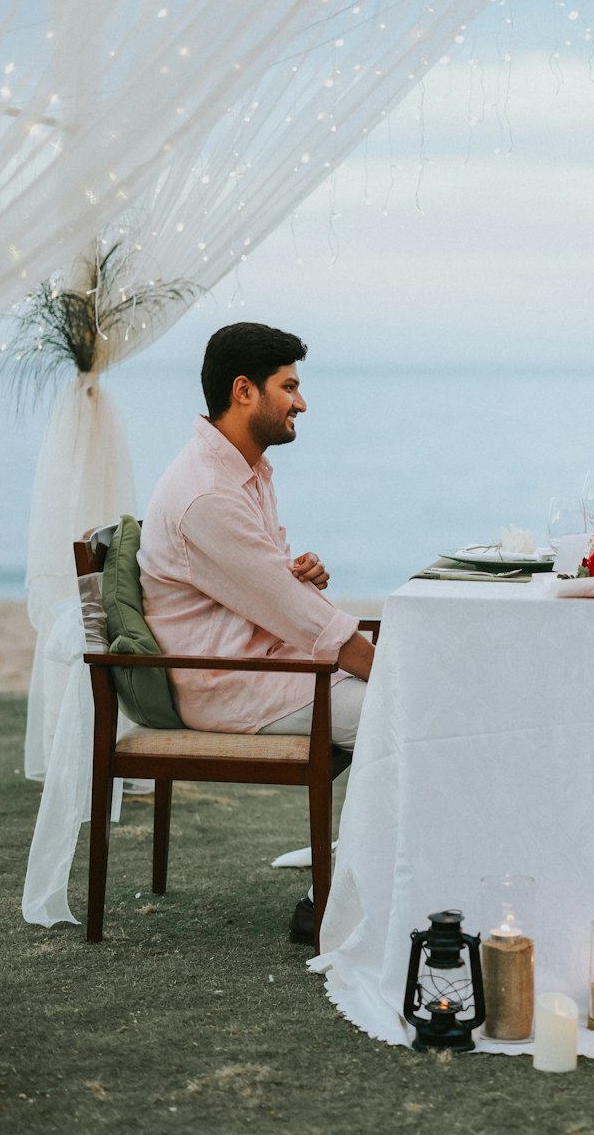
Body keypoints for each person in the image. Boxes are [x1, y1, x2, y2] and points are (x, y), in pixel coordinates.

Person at [137, 322, 375, 938]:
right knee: (397, 709)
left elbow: (271, 586)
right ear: (244, 391)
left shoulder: (246, 470)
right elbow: (299, 615)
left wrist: (295, 571)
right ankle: (331, 898)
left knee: (396, 697)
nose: (302, 402)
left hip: (265, 660)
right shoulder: (206, 494)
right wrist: (387, 665)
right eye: (288, 387)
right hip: (227, 682)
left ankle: (367, 867)